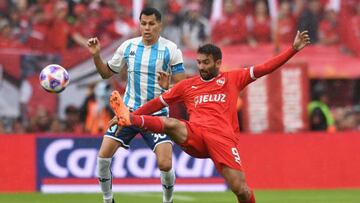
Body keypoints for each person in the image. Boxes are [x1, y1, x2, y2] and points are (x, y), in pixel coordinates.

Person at [109, 30, 310, 203]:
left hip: (222, 138)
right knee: (171, 123)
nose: (201, 67)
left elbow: (265, 68)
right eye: (199, 62)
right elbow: (157, 104)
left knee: (241, 189)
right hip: (195, 134)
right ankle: (130, 119)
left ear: (218, 63)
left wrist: (293, 49)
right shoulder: (187, 86)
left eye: (206, 63)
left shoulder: (233, 78)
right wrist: (129, 115)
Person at [86, 7, 186, 203]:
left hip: (156, 115)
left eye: (151, 24)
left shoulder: (171, 50)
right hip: (128, 113)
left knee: (165, 164)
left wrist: (168, 86)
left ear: (160, 25)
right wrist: (96, 55)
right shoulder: (128, 47)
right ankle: (108, 200)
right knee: (103, 157)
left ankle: (168, 201)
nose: (146, 28)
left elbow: (182, 88)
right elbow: (106, 73)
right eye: (143, 23)